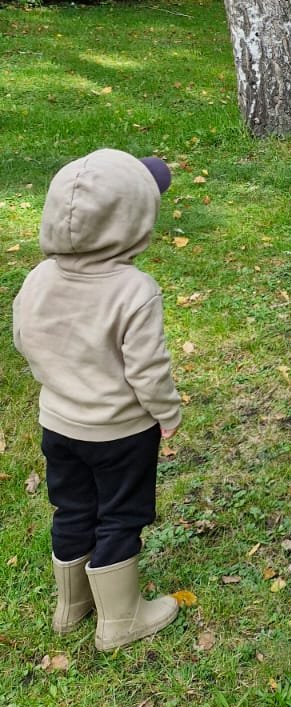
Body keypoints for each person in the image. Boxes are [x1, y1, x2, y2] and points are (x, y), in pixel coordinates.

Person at [11, 150, 183, 651]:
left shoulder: (39, 277)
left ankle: (71, 607)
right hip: (120, 433)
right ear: (132, 221)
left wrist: (57, 381)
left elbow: (24, 337)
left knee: (71, 507)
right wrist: (167, 412)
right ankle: (120, 621)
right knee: (120, 514)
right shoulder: (134, 290)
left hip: (58, 424)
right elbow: (147, 369)